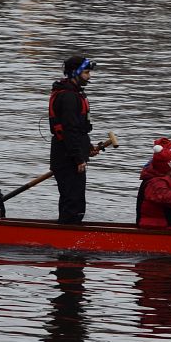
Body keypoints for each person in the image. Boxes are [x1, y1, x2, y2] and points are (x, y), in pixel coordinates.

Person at [48, 55, 95, 224]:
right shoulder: (68, 97)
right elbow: (69, 130)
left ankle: (69, 228)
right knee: (72, 203)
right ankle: (67, 232)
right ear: (75, 73)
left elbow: (78, 130)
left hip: (72, 155)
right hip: (67, 158)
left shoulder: (75, 93)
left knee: (75, 202)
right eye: (86, 72)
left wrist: (87, 147)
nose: (89, 76)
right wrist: (78, 158)